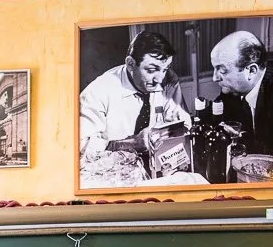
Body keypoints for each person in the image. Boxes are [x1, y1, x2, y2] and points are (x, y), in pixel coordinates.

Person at [78, 31, 192, 165]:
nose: (160, 79)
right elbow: (80, 147)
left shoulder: (168, 79)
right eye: (151, 70)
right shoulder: (99, 91)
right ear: (130, 64)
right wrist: (131, 144)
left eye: (165, 69)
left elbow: (184, 125)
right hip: (112, 168)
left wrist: (174, 131)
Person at [210, 31, 273, 174]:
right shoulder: (234, 89)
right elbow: (216, 122)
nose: (214, 78)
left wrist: (239, 139)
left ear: (251, 71)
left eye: (222, 70)